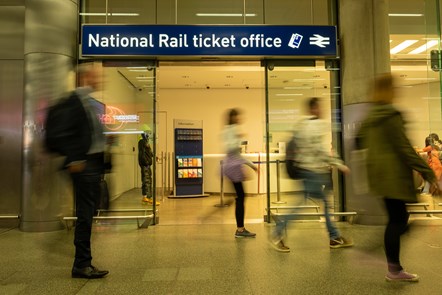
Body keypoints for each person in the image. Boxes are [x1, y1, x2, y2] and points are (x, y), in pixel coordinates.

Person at [356, 73, 436, 282]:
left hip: (379, 176)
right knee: (399, 221)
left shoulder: (370, 116)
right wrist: (427, 171)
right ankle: (390, 265)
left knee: (397, 219)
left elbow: (358, 142)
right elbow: (404, 149)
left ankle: (392, 266)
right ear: (390, 90)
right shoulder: (391, 115)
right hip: (393, 177)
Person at [271, 97, 353, 252]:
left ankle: (334, 236)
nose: (321, 110)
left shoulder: (302, 125)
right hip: (314, 172)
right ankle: (278, 230)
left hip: (307, 170)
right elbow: (319, 150)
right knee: (306, 204)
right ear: (313, 109)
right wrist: (339, 164)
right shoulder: (314, 126)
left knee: (319, 203)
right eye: (319, 107)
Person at [56, 63, 109, 279]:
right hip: (83, 165)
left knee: (90, 212)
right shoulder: (74, 102)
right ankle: (81, 264)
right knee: (85, 215)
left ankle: (83, 262)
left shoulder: (91, 103)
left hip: (93, 164)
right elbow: (62, 133)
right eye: (95, 76)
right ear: (85, 78)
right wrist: (75, 158)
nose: (100, 79)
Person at [221, 108, 257, 238]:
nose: (239, 119)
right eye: (237, 117)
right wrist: (251, 165)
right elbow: (234, 152)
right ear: (233, 118)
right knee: (241, 197)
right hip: (233, 168)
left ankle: (240, 228)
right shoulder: (231, 131)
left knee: (240, 196)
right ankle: (240, 230)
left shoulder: (229, 130)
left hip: (231, 167)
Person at [138, 126, 159, 205]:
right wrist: (145, 162)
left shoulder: (146, 142)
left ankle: (145, 197)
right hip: (145, 164)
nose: (149, 134)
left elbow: (148, 152)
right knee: (147, 180)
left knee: (146, 180)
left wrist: (154, 156)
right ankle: (148, 198)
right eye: (147, 132)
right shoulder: (142, 142)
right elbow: (142, 154)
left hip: (147, 164)